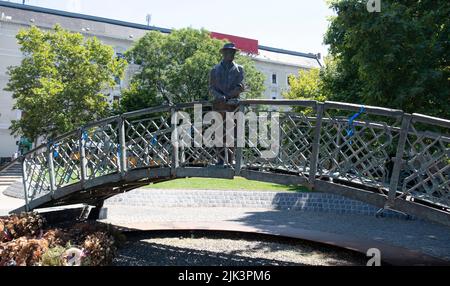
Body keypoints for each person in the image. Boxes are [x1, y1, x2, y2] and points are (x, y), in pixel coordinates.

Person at [209, 43, 245, 166]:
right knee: (218, 131)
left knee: (232, 132)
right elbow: (211, 88)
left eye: (233, 52)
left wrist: (228, 96)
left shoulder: (239, 69)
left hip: (232, 106)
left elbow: (240, 87)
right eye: (229, 52)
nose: (231, 54)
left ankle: (230, 159)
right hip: (218, 105)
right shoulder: (214, 70)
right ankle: (219, 159)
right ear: (223, 53)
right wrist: (219, 96)